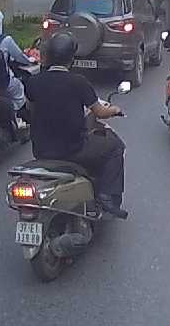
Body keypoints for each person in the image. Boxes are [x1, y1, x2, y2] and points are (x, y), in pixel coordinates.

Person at [25, 32, 128, 218]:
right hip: (72, 150)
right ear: (71, 58)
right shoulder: (78, 82)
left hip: (40, 150)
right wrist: (114, 109)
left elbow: (30, 109)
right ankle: (107, 196)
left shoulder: (33, 82)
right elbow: (100, 112)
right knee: (115, 147)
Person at [0, 7, 36, 123]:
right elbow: (19, 56)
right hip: (3, 81)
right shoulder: (6, 40)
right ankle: (16, 118)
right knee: (19, 90)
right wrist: (30, 60)